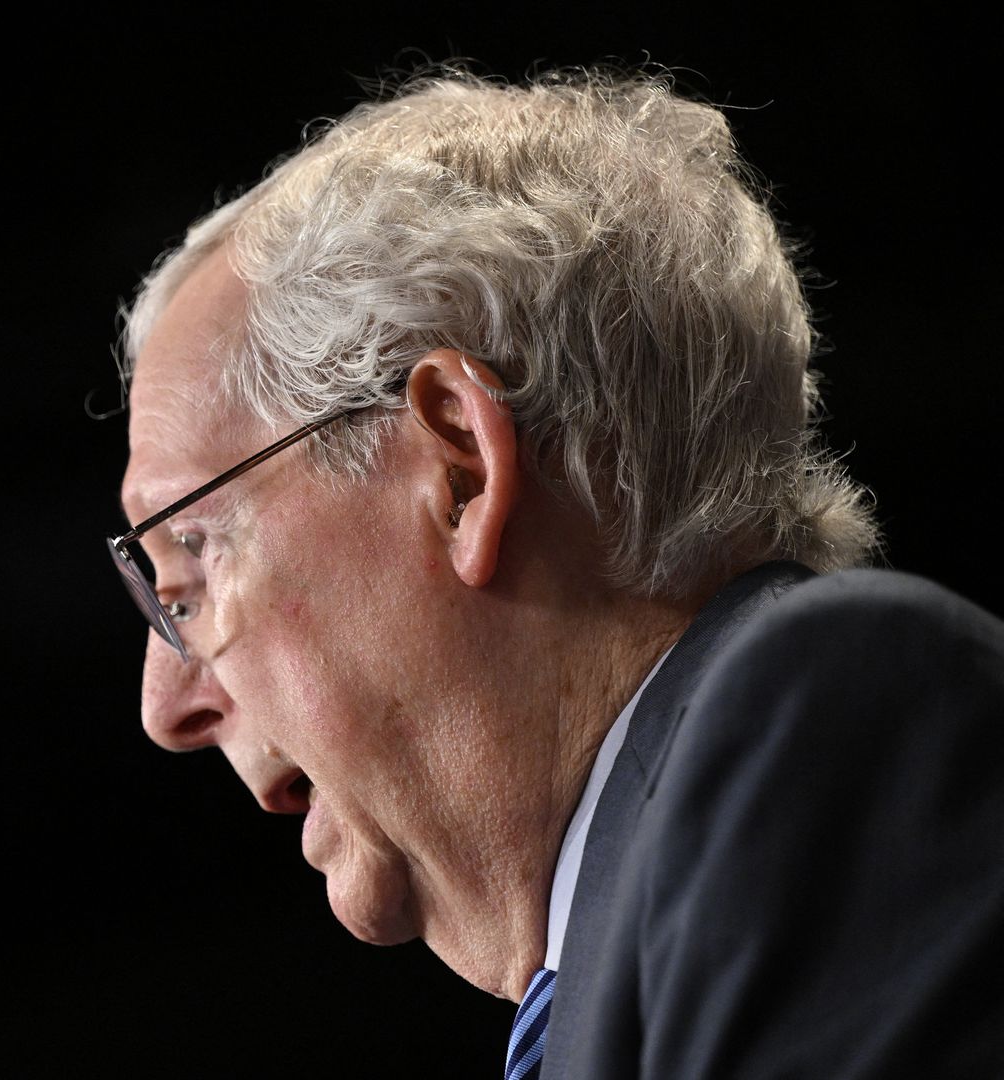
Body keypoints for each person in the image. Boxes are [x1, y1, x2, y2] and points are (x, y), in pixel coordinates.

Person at [106, 68, 1004, 1078]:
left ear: (460, 472)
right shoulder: (652, 939)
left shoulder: (821, 729)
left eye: (193, 558)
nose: (164, 704)